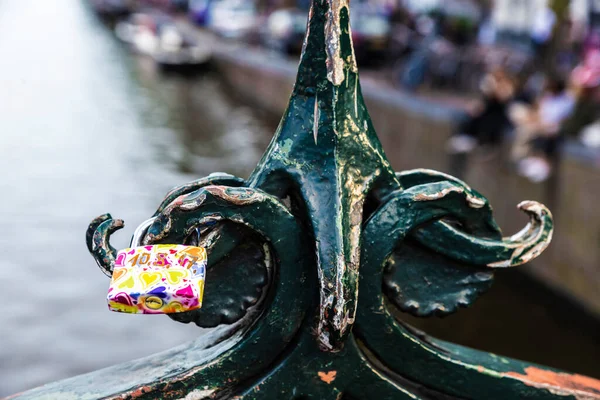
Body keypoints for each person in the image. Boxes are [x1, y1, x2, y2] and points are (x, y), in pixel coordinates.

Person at [514, 77, 575, 182]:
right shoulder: (547, 97)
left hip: (555, 128)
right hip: (542, 125)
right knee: (524, 129)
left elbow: (565, 119)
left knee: (541, 133)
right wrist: (535, 121)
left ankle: (542, 164)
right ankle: (525, 159)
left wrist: (546, 125)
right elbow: (539, 112)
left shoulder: (568, 100)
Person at [446, 68, 516, 154]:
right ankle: (465, 137)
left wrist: (494, 89)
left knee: (487, 121)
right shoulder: (492, 84)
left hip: (497, 115)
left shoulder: (507, 86)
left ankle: (481, 142)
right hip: (487, 111)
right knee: (469, 115)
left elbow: (501, 99)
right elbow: (484, 100)